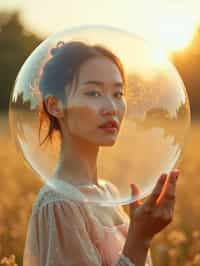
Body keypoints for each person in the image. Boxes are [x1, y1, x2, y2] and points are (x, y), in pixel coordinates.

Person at [23, 41, 180, 266]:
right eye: (94, 93)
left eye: (118, 94)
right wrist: (140, 238)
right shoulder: (60, 204)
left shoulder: (109, 192)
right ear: (55, 106)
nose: (111, 108)